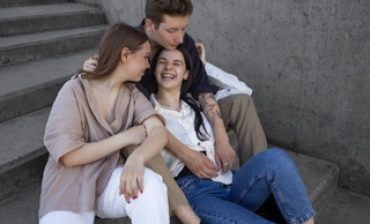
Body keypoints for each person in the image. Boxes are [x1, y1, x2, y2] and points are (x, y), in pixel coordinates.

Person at [144, 46, 316, 224]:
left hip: (229, 181)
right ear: (154, 69)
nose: (169, 67)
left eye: (176, 63)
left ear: (187, 73)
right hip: (197, 193)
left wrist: (204, 66)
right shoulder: (148, 113)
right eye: (162, 62)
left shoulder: (198, 104)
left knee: (275, 158)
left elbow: (243, 90)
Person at [38, 23, 170, 224]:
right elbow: (69, 156)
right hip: (68, 187)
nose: (148, 65)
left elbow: (158, 131)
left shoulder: (132, 95)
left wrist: (137, 158)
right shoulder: (74, 90)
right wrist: (125, 137)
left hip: (108, 179)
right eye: (145, 57)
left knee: (150, 185)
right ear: (125, 55)